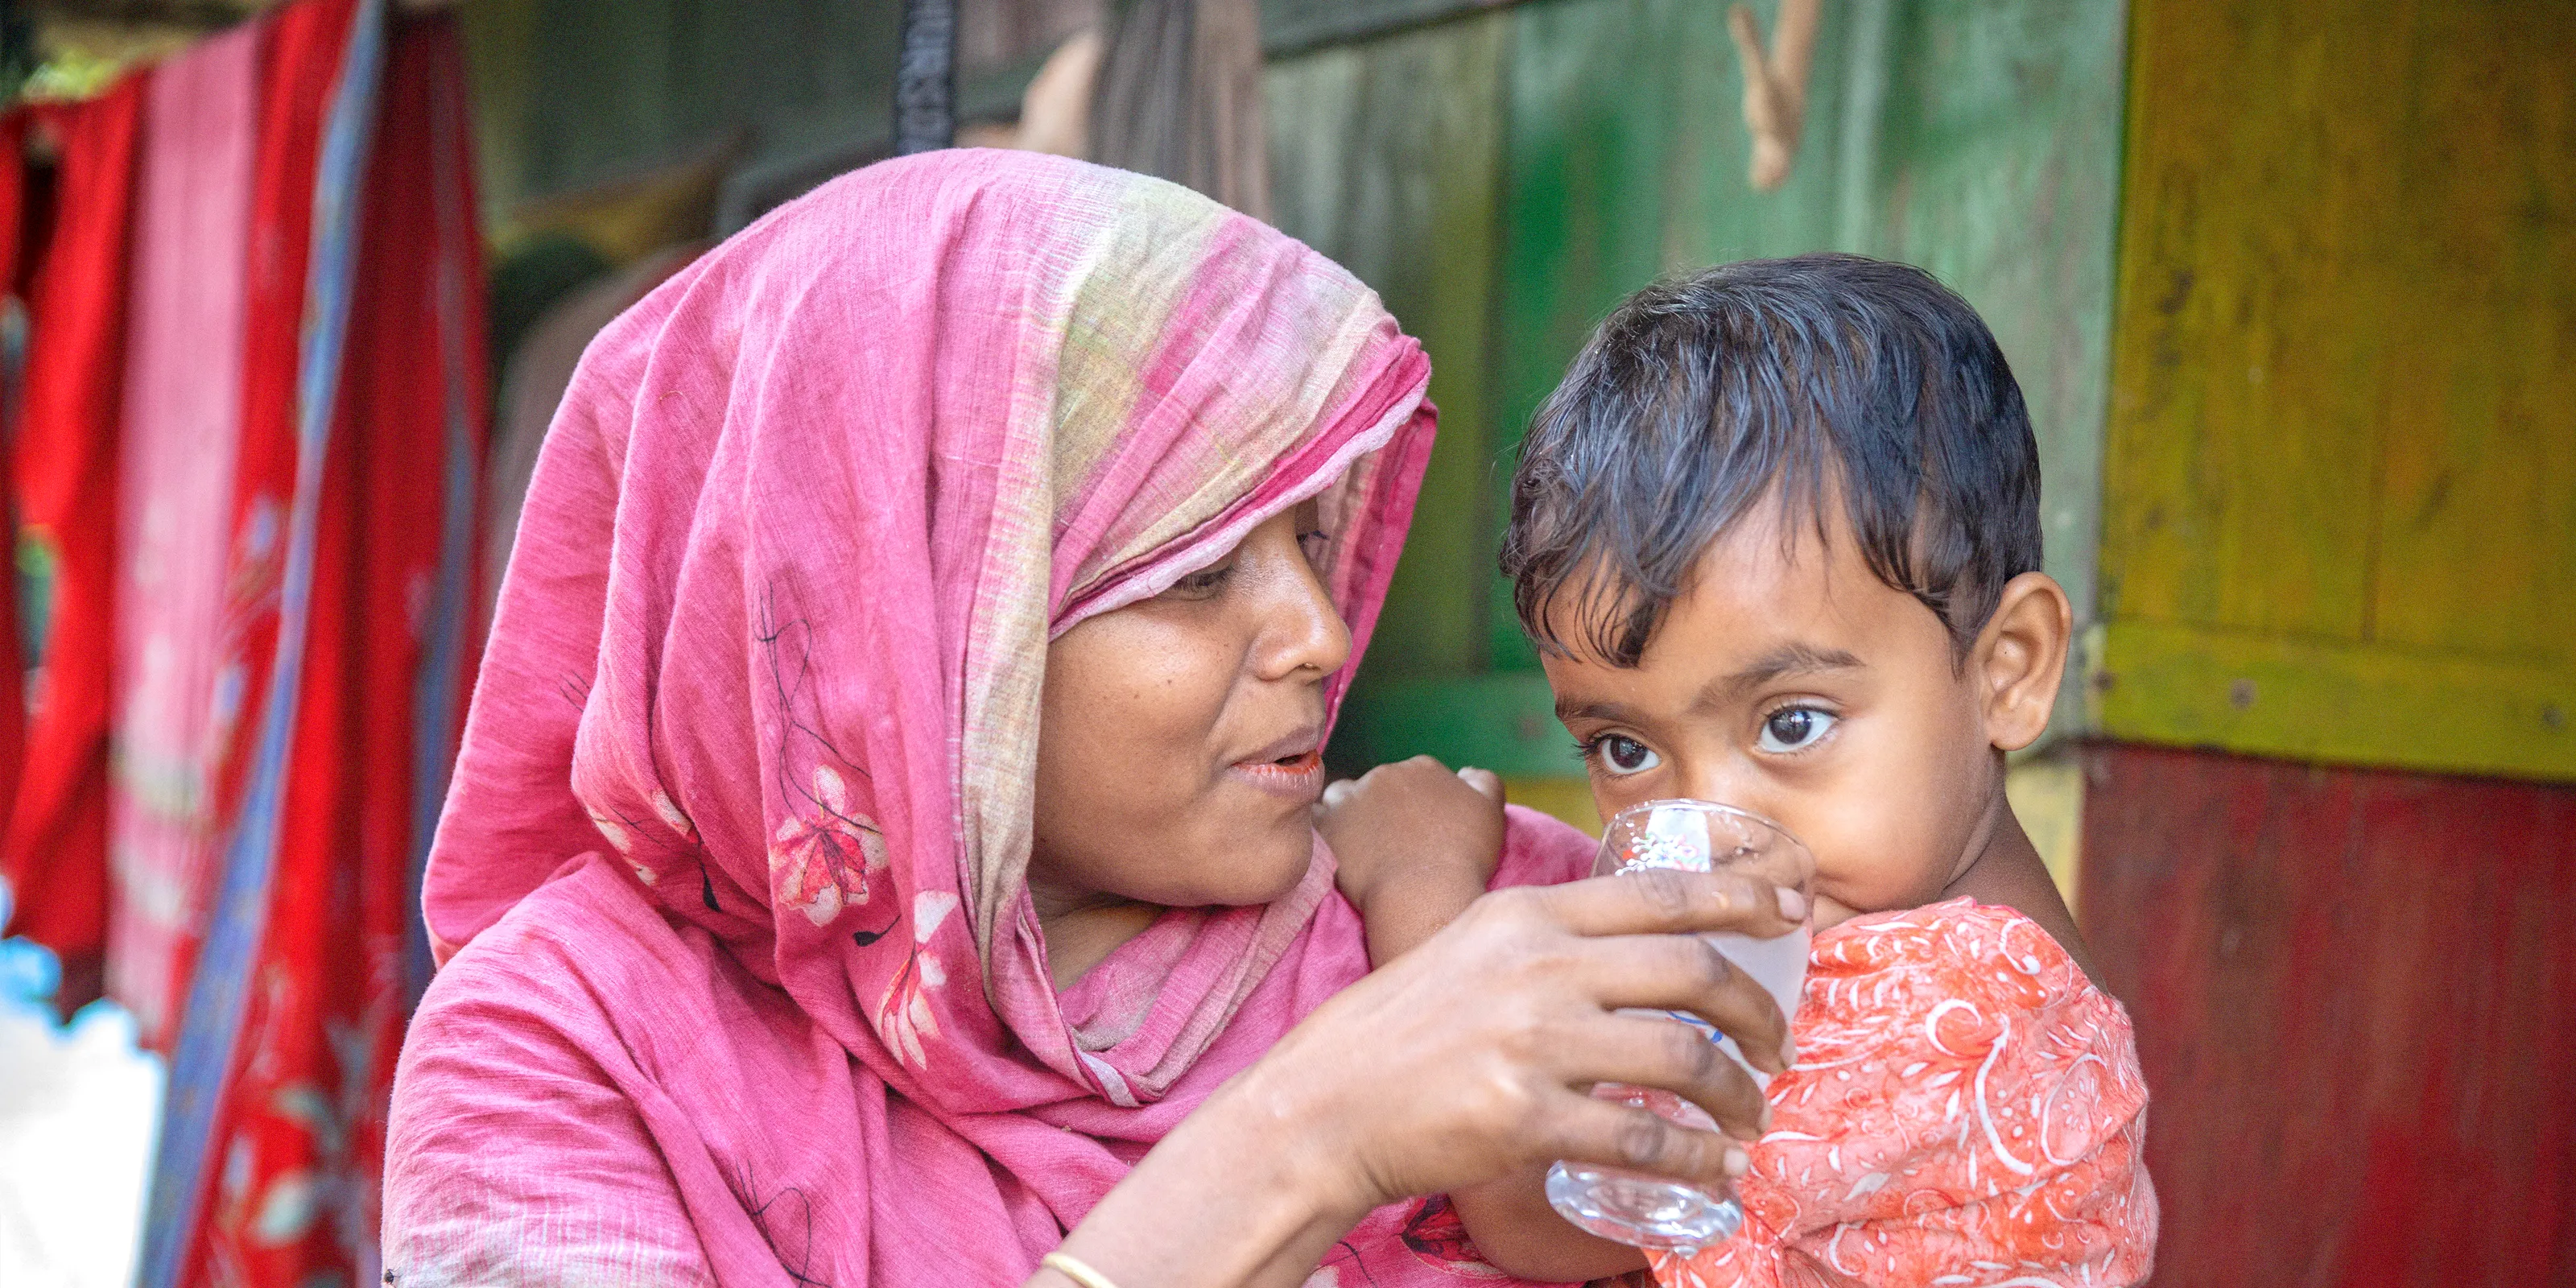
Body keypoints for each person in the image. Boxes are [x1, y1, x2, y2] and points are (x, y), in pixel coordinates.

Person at [379, 149, 1811, 1288]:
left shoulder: (1488, 926)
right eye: (1194, 573)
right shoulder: (572, 1054)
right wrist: (1310, 1140)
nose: (1321, 634)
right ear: (910, 631)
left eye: (1316, 543)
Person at [1327, 255, 2158, 1286]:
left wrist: (1416, 880)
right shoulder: (1891, 927)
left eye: (1792, 723)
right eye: (1625, 750)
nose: (1703, 836)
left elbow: (1531, 1212)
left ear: (2007, 670)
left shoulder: (1941, 1010)